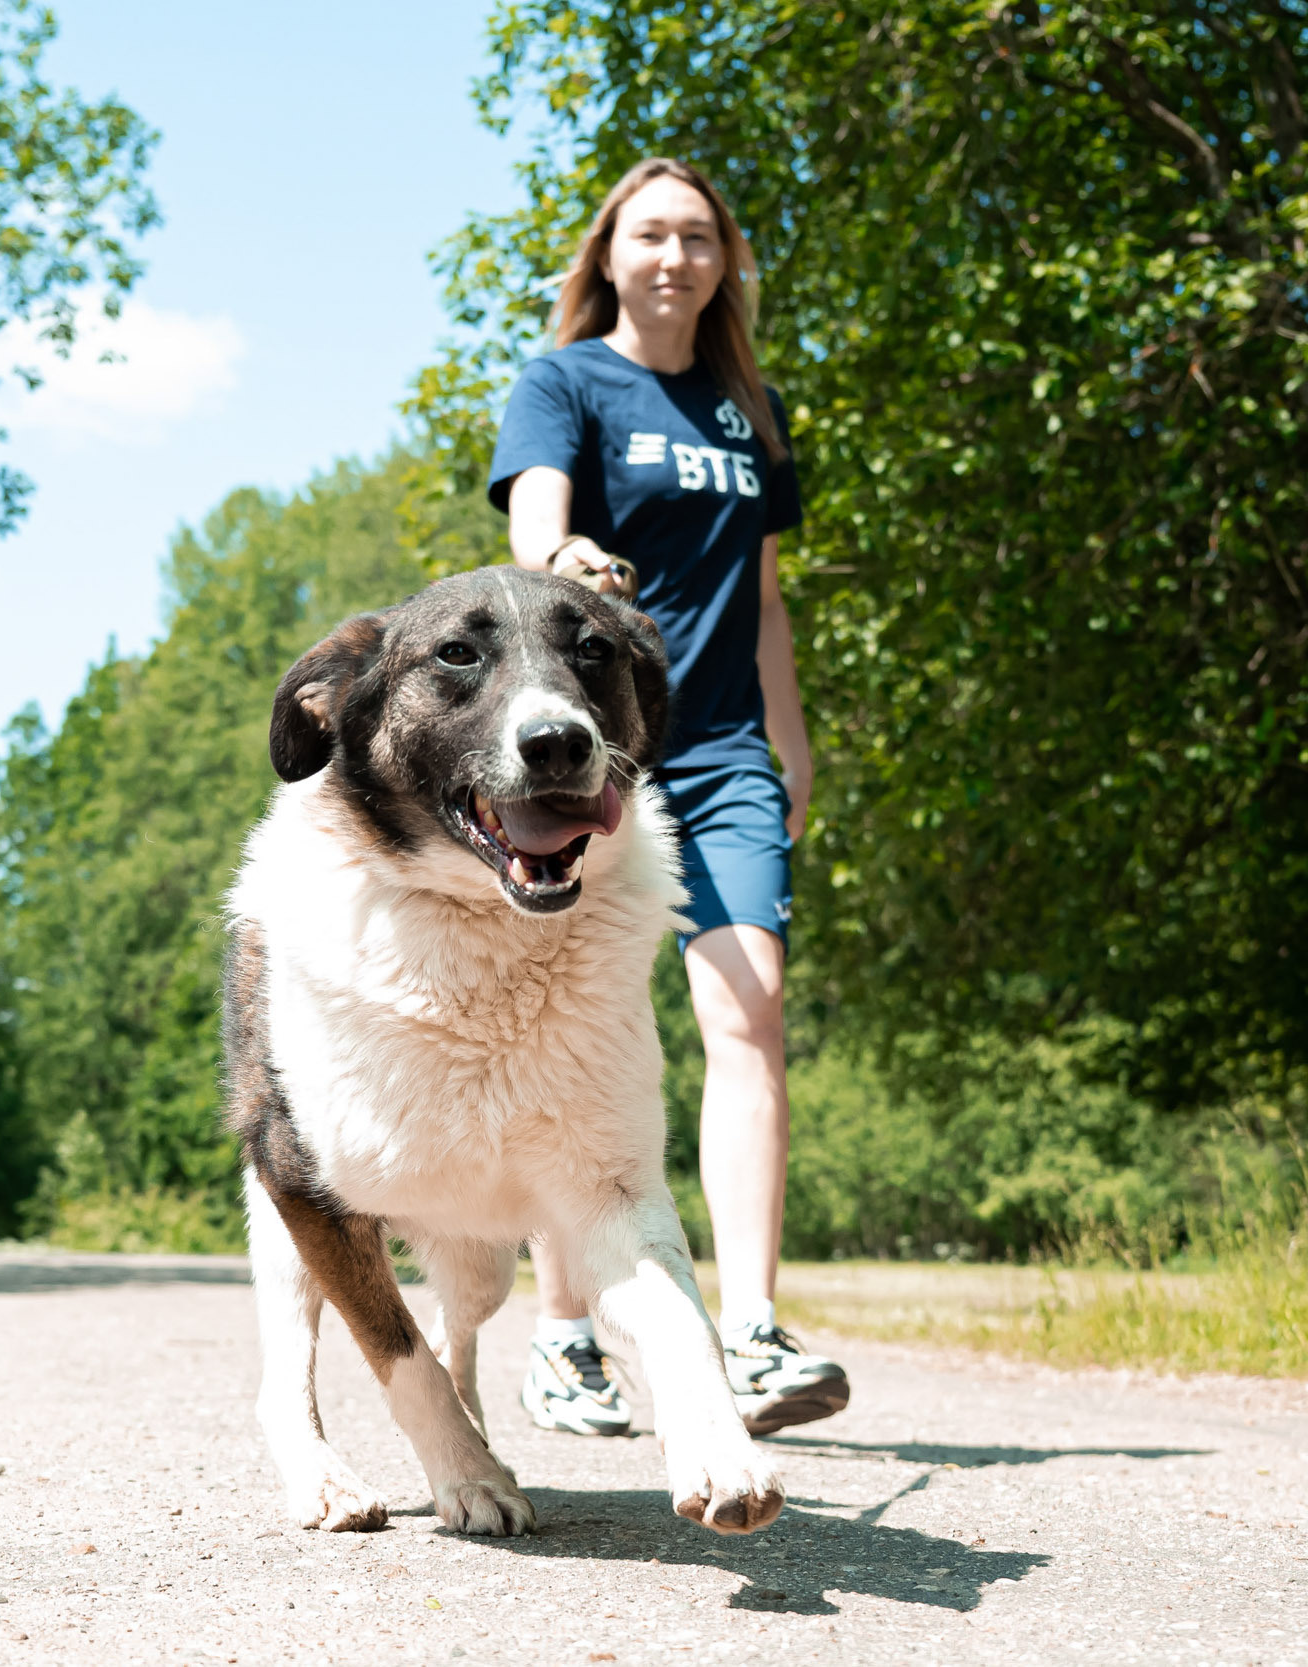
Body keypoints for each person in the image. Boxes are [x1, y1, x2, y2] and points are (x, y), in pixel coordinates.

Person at [485, 157, 850, 1439]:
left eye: (699, 236)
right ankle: (565, 1334)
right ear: (610, 254)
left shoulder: (748, 408)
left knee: (748, 1005)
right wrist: (566, 558)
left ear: (722, 261)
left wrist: (790, 741)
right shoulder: (566, 382)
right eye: (651, 234)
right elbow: (536, 519)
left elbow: (761, 594)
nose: (675, 256)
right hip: (596, 751)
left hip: (728, 749)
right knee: (577, 1035)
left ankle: (748, 1330)